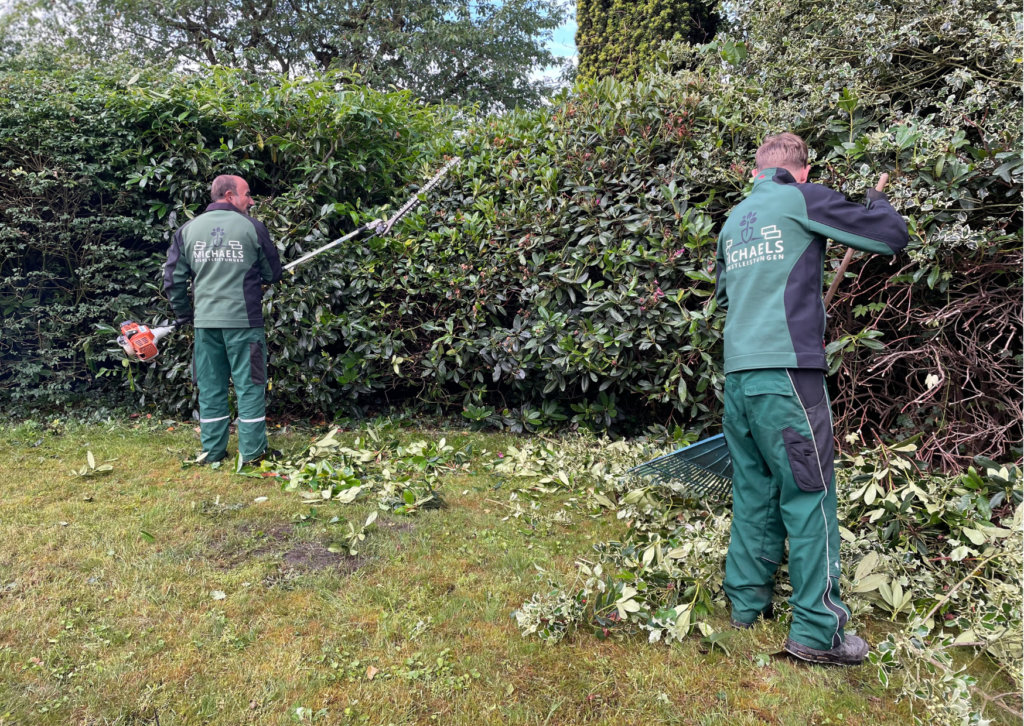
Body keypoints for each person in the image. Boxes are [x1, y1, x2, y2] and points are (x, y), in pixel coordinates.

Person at [714, 133, 909, 665]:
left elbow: (731, 295)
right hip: (787, 377)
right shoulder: (801, 197)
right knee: (809, 494)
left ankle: (746, 604)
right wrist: (875, 202)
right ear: (802, 172)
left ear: (754, 172)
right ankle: (819, 632)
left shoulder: (733, 223)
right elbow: (891, 236)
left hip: (739, 380)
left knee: (754, 489)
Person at [164, 175, 283, 464]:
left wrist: (183, 314)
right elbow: (272, 274)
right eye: (247, 195)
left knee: (211, 386)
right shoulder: (252, 227)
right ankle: (253, 455)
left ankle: (212, 452)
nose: (251, 201)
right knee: (250, 385)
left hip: (206, 324)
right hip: (245, 324)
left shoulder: (187, 230)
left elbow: (173, 280)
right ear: (229, 195)